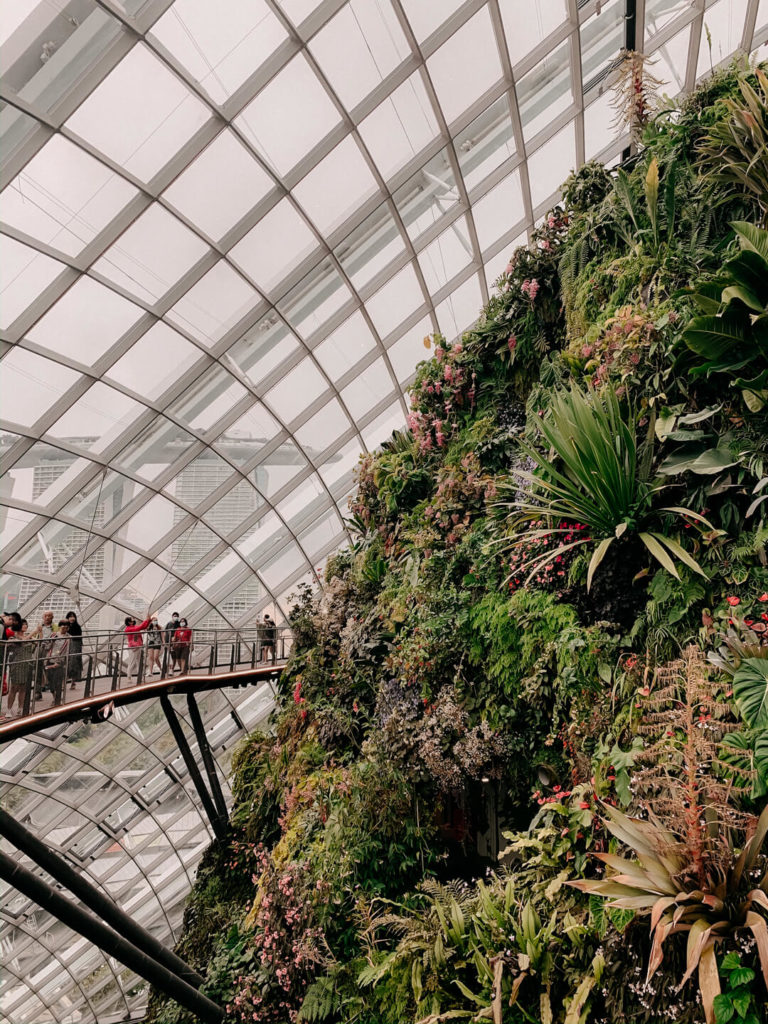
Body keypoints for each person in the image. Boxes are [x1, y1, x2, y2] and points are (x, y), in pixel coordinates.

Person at [7, 620, 34, 717]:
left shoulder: (30, 637)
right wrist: (34, 632)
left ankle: (20, 708)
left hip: (26, 664)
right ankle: (9, 709)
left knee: (23, 687)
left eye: (26, 624)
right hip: (16, 664)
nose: (24, 625)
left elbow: (38, 644)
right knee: (14, 687)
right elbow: (22, 642)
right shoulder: (13, 637)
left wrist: (39, 632)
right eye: (22, 624)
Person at [31, 611, 57, 699]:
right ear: (43, 617)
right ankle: (37, 692)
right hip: (40, 648)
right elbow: (33, 636)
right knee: (37, 670)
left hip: (49, 649)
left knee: (49, 671)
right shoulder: (40, 626)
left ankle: (54, 692)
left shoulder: (55, 627)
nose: (47, 617)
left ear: (52, 617)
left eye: (49, 616)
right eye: (45, 616)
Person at [45, 620, 70, 707]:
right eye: (63, 626)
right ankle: (55, 697)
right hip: (50, 660)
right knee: (50, 683)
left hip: (59, 662)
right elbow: (46, 647)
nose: (64, 628)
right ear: (60, 626)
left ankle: (57, 701)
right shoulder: (53, 635)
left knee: (58, 683)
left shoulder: (69, 638)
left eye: (66, 627)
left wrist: (59, 662)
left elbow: (66, 651)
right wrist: (51, 641)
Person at [124, 612, 153, 682]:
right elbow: (140, 627)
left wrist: (148, 620)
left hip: (138, 646)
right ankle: (129, 677)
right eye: (131, 620)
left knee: (138, 662)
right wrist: (147, 620)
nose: (133, 620)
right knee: (132, 662)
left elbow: (143, 627)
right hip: (133, 647)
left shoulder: (133, 627)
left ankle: (140, 677)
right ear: (129, 622)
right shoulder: (128, 629)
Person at [65, 610, 82, 687]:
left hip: (75, 645)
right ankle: (66, 680)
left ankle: (73, 681)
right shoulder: (65, 627)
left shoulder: (77, 627)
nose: (72, 618)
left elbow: (79, 638)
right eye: (70, 616)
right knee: (67, 662)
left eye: (73, 616)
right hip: (67, 645)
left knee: (74, 662)